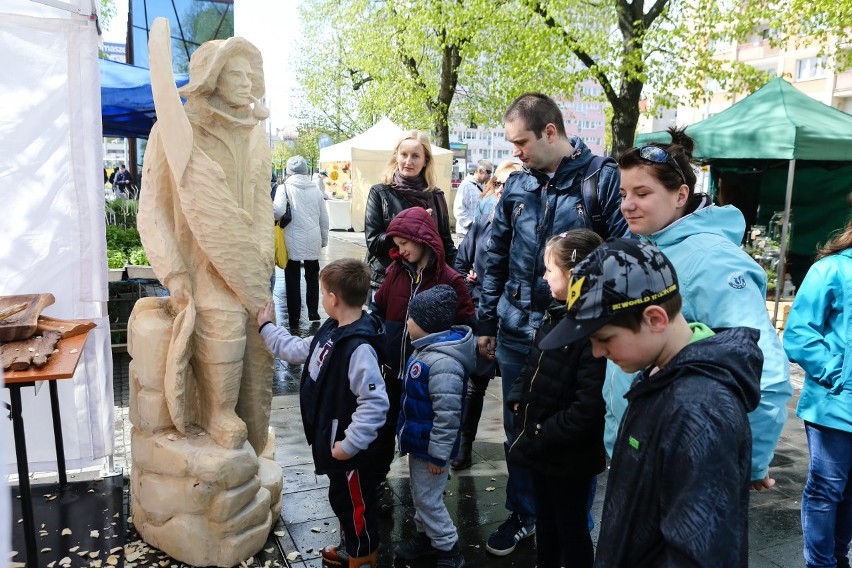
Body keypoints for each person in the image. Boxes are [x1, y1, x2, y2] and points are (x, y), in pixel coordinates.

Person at [539, 238, 762, 567]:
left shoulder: (700, 410)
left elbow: (701, 551)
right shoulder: (660, 375)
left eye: (604, 339)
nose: (598, 353)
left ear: (656, 319)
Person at [477, 92, 627, 556]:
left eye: (520, 141)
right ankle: (525, 513)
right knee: (517, 426)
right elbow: (493, 255)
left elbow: (621, 260)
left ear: (550, 131)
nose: (514, 152)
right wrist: (486, 321)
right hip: (517, 330)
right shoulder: (517, 185)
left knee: (572, 435)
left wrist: (599, 325)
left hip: (575, 335)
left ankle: (572, 524)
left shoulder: (601, 179)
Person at [605, 127, 792, 491]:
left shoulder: (711, 259)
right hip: (641, 454)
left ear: (681, 196)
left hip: (678, 468)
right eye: (624, 193)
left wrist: (749, 463)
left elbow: (765, 372)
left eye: (642, 193)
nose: (627, 204)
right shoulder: (652, 246)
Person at [139, 35, 275, 453]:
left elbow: (262, 202)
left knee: (259, 340)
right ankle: (217, 412)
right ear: (211, 79)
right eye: (235, 73)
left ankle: (251, 421)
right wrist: (174, 272)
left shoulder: (255, 138)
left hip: (249, 263)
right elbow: (152, 209)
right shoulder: (173, 133)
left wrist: (265, 255)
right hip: (200, 264)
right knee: (223, 321)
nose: (246, 81)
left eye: (250, 74)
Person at [257, 259, 388, 568]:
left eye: (322, 291)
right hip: (332, 442)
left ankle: (362, 555)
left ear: (332, 299)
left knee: (356, 504)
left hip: (349, 450)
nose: (321, 297)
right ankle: (351, 545)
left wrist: (349, 445)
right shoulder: (331, 330)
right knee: (343, 500)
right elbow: (298, 350)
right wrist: (267, 328)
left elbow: (375, 403)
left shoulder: (359, 347)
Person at [506, 229, 606, 568]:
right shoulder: (556, 315)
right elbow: (532, 364)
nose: (544, 276)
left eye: (550, 269)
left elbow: (589, 407)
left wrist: (539, 433)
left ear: (574, 275)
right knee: (547, 524)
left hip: (566, 455)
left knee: (570, 528)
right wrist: (519, 395)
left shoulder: (593, 331)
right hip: (543, 447)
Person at [371, 207, 475, 486]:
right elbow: (378, 308)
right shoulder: (394, 272)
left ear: (422, 238)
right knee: (384, 429)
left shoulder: (450, 279)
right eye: (396, 246)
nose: (400, 250)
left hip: (429, 376)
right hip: (393, 370)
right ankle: (378, 481)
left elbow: (466, 322)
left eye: (404, 244)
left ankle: (428, 487)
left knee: (424, 430)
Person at [783, 217, 852, 568]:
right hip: (835, 404)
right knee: (827, 489)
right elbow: (798, 334)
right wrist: (836, 373)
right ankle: (821, 564)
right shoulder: (831, 270)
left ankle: (838, 558)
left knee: (848, 492)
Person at [393, 285, 475, 568]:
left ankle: (449, 547)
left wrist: (439, 456)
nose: (407, 323)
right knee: (422, 494)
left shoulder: (443, 364)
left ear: (426, 325)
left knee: (428, 499)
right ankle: (426, 536)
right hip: (422, 443)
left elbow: (448, 416)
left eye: (411, 319)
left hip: (432, 451)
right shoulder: (426, 350)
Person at [450, 159, 521, 470]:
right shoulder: (483, 225)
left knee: (517, 389)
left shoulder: (535, 228)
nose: (505, 190)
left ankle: (519, 454)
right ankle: (463, 449)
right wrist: (470, 278)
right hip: (483, 314)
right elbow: (459, 263)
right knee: (474, 384)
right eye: (501, 183)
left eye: (513, 183)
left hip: (517, 319)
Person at [365, 131, 457, 292]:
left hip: (425, 282)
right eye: (404, 154)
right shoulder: (380, 192)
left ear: (425, 160)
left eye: (415, 156)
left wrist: (465, 268)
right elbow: (373, 242)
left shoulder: (435, 196)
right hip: (386, 281)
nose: (408, 161)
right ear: (396, 156)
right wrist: (409, 227)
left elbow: (445, 244)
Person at [274, 155, 329, 329]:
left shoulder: (284, 188)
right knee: (312, 277)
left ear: (289, 171)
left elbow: (278, 211)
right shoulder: (316, 189)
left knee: (292, 278)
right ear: (306, 170)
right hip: (313, 238)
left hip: (291, 238)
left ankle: (295, 316)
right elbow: (324, 218)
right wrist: (324, 238)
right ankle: (313, 311)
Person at [453, 159, 492, 236]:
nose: (490, 175)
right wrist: (471, 225)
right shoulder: (466, 185)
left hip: (476, 233)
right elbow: (458, 210)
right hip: (465, 233)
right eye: (488, 172)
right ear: (480, 171)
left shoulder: (483, 186)